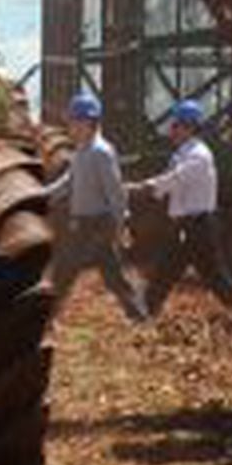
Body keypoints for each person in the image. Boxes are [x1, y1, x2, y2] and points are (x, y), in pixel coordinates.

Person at [42, 93, 147, 322]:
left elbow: (116, 193)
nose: (70, 127)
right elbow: (68, 182)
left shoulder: (102, 152)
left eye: (74, 122)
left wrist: (121, 225)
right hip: (83, 222)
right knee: (111, 276)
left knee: (66, 271)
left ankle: (45, 317)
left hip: (99, 224)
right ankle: (139, 316)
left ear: (89, 123)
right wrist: (42, 196)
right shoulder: (81, 150)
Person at [130, 100, 232, 315]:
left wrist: (141, 188)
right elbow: (168, 185)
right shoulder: (182, 153)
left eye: (176, 125)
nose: (171, 130)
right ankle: (147, 310)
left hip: (198, 226)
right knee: (166, 270)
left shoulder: (198, 155)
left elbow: (173, 180)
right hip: (186, 225)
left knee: (214, 275)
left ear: (189, 127)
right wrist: (146, 190)